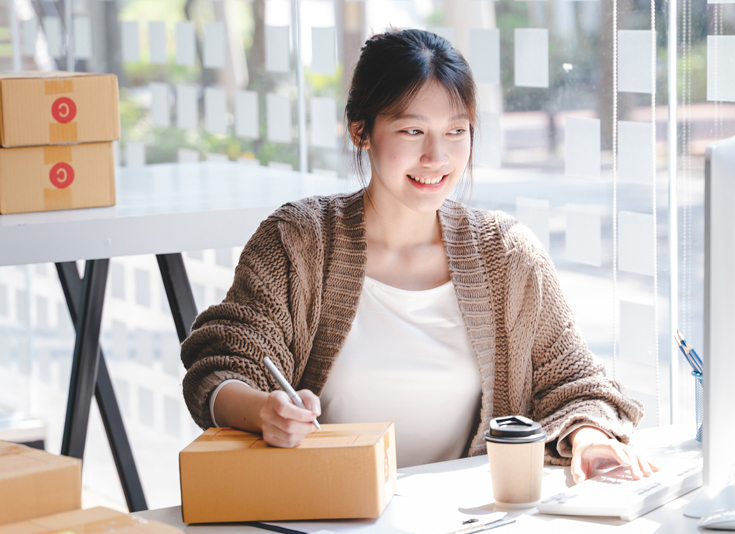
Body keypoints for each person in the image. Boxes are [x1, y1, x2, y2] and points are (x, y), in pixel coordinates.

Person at [181, 28, 656, 484]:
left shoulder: (507, 254)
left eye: (456, 131)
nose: (437, 156)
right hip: (330, 512)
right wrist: (264, 412)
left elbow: (575, 383)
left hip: (468, 519)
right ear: (360, 132)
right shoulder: (299, 241)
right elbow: (225, 361)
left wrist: (590, 437)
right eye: (412, 131)